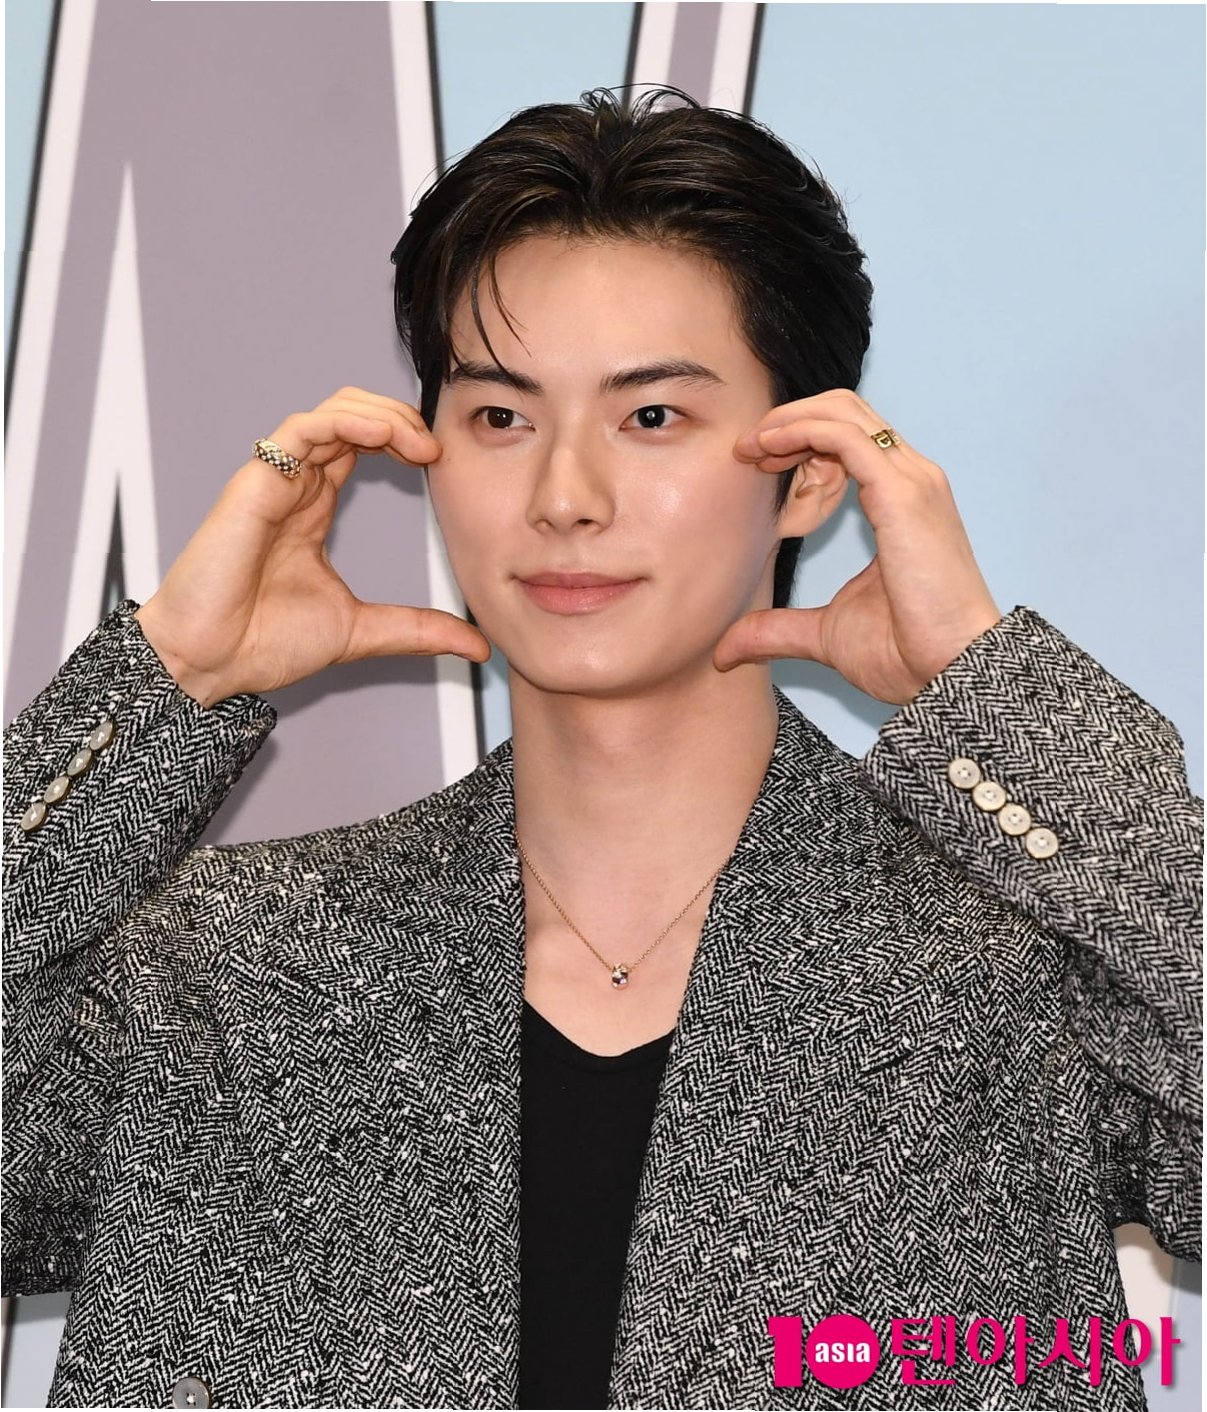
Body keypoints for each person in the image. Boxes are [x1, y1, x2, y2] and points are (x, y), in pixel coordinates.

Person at [3, 86, 1200, 1412]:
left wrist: (993, 690)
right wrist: (160, 683)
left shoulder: (1016, 971)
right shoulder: (219, 975)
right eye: (501, 418)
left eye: (652, 418)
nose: (564, 497)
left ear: (810, 471)